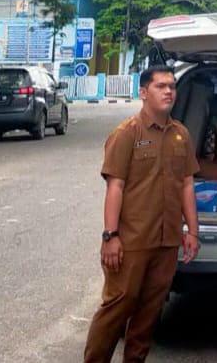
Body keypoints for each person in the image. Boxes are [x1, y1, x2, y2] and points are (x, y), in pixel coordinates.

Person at [83, 65, 200, 363]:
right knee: (118, 306)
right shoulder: (127, 133)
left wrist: (192, 231)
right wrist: (110, 236)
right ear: (144, 92)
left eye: (172, 86)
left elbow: (187, 184)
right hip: (132, 241)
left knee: (149, 312)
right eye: (161, 86)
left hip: (167, 240)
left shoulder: (181, 135)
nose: (168, 91)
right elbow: (115, 187)